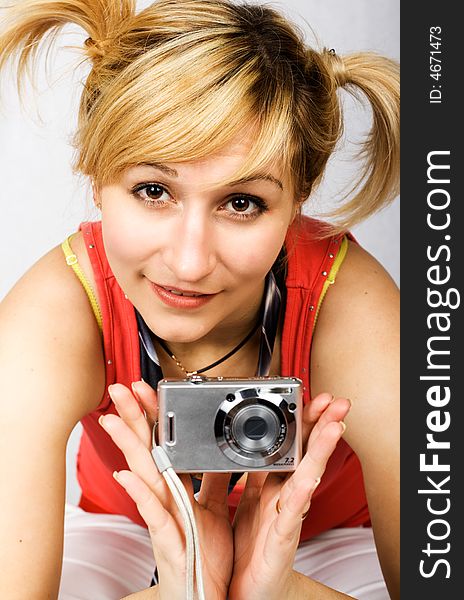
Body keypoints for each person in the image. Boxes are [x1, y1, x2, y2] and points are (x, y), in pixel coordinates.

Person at [0, 0, 399, 599]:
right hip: (128, 527)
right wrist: (176, 594)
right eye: (153, 190)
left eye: (242, 202)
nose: (189, 262)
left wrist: (280, 592)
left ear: (298, 199)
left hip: (323, 535)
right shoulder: (55, 311)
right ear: (95, 177)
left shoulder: (349, 302)